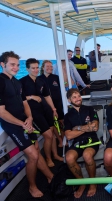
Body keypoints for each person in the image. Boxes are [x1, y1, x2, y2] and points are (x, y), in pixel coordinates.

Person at [0, 51, 53, 198]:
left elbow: (24, 103)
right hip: (12, 124)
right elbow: (2, 112)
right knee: (33, 155)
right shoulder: (1, 81)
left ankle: (50, 177)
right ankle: (32, 187)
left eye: (17, 65)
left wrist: (29, 118)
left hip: (24, 121)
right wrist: (22, 124)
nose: (16, 68)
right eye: (12, 64)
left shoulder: (16, 82)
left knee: (36, 148)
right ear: (2, 64)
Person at [20, 58, 63, 167]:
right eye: (33, 68)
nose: (36, 70)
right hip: (34, 113)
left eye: (37, 68)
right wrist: (31, 97)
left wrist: (53, 109)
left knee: (52, 132)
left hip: (46, 109)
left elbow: (47, 96)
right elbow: (17, 98)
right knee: (48, 135)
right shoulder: (22, 82)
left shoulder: (41, 81)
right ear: (27, 69)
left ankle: (55, 155)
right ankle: (48, 158)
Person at [64, 88, 100, 198]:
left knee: (87, 155)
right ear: (69, 100)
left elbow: (95, 127)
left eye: (79, 96)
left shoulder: (90, 109)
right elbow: (69, 135)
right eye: (74, 97)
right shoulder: (67, 116)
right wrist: (85, 127)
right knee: (69, 158)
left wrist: (77, 128)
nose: (78, 98)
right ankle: (82, 183)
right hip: (77, 143)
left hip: (92, 141)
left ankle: (93, 183)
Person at [39, 60, 64, 147]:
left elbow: (62, 90)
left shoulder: (56, 77)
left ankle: (65, 140)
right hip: (46, 106)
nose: (50, 68)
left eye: (51, 66)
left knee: (61, 122)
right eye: (47, 66)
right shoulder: (39, 79)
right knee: (53, 124)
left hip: (58, 104)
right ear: (43, 68)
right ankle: (60, 141)